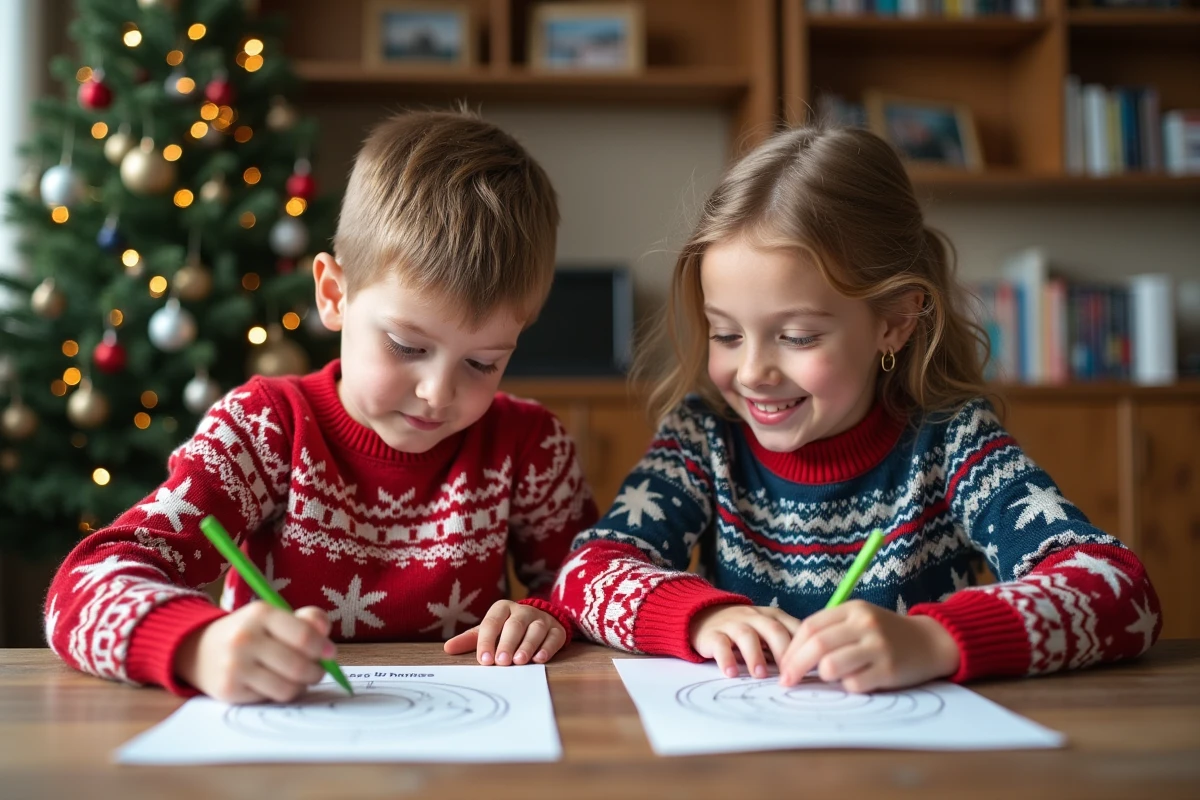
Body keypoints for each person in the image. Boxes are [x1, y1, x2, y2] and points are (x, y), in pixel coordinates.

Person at [551, 125, 1162, 693]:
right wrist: (701, 615)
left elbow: (1120, 591)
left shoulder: (951, 441)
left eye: (797, 337)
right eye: (727, 335)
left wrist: (936, 638)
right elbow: (585, 574)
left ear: (894, 321)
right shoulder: (703, 436)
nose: (752, 372)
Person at [45, 109, 597, 702]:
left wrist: (547, 613)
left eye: (482, 362)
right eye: (408, 346)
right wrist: (194, 645)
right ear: (334, 295)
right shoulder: (262, 427)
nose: (438, 392)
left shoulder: (530, 443)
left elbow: (591, 584)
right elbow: (80, 587)